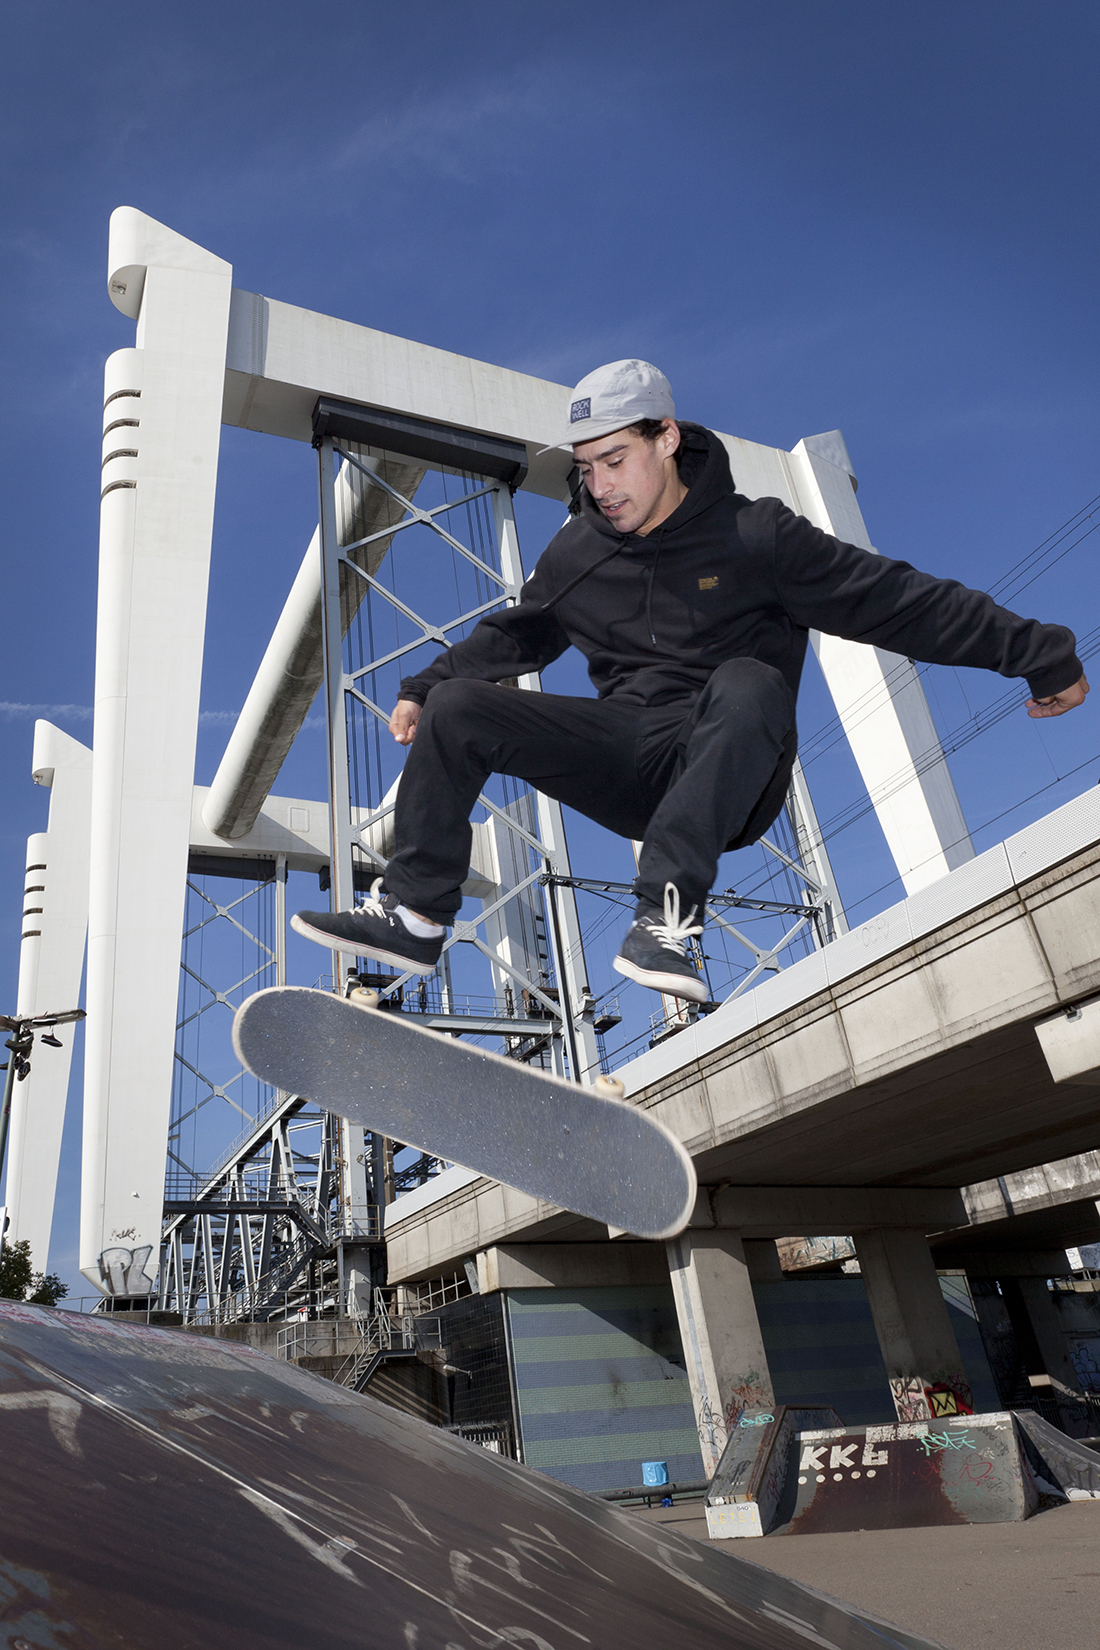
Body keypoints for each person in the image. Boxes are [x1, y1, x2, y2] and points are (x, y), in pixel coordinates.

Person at [293, 359, 1088, 1001]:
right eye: (586, 468)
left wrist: (1039, 654)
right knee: (463, 705)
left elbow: (900, 603)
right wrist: (428, 684)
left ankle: (669, 918)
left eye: (616, 461)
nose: (602, 487)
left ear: (666, 438)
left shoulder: (757, 536)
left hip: (733, 769)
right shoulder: (579, 550)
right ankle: (415, 916)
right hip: (631, 757)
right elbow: (521, 631)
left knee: (748, 682)